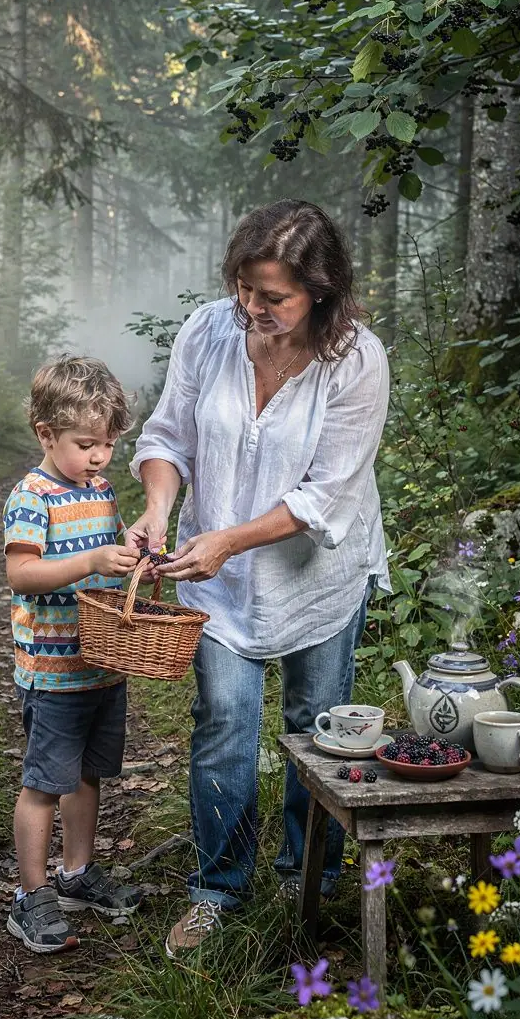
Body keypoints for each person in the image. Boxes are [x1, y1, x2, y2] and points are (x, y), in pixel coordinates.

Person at [126, 200, 390, 957]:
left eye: (273, 297)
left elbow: (325, 493)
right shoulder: (210, 331)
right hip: (216, 579)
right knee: (225, 726)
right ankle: (218, 889)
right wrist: (157, 506)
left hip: (318, 577)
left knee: (317, 731)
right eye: (245, 288)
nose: (253, 308)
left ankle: (308, 883)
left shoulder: (356, 359)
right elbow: (168, 434)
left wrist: (229, 541)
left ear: (322, 292)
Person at [3, 355, 144, 954]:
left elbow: (103, 556)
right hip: (52, 670)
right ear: (46, 435)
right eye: (85, 444)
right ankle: (30, 895)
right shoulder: (32, 497)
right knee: (44, 782)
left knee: (87, 777)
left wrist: (127, 547)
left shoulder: (102, 490)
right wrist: (88, 563)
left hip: (100, 665)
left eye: (107, 445)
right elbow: (23, 573)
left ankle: (77, 874)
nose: (98, 457)